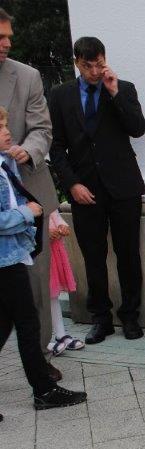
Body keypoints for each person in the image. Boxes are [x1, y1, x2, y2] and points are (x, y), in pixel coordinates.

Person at [48, 36, 145, 346]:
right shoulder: (60, 95)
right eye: (87, 66)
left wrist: (114, 92)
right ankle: (100, 319)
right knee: (93, 257)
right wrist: (72, 184)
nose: (94, 71)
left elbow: (138, 128)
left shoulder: (123, 88)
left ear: (105, 60)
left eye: (99, 64)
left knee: (128, 254)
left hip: (123, 186)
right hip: (85, 189)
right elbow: (56, 146)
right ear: (77, 63)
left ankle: (130, 316)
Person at [0, 106, 87, 419]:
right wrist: (28, 213)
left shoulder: (5, 163)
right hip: (5, 260)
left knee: (7, 324)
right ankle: (44, 390)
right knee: (27, 322)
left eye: (5, 125)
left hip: (11, 256)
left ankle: (44, 389)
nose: (8, 132)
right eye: (0, 127)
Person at [0, 9, 61, 381]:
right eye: (0, 37)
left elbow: (42, 128)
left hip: (27, 196)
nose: (8, 43)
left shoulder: (27, 76)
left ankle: (39, 359)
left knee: (34, 284)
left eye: (9, 35)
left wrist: (28, 149)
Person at [46, 211, 85, 355]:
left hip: (50, 246)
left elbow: (52, 211)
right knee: (36, 297)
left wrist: (61, 224)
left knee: (52, 294)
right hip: (33, 249)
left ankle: (60, 334)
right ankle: (40, 341)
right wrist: (42, 232)